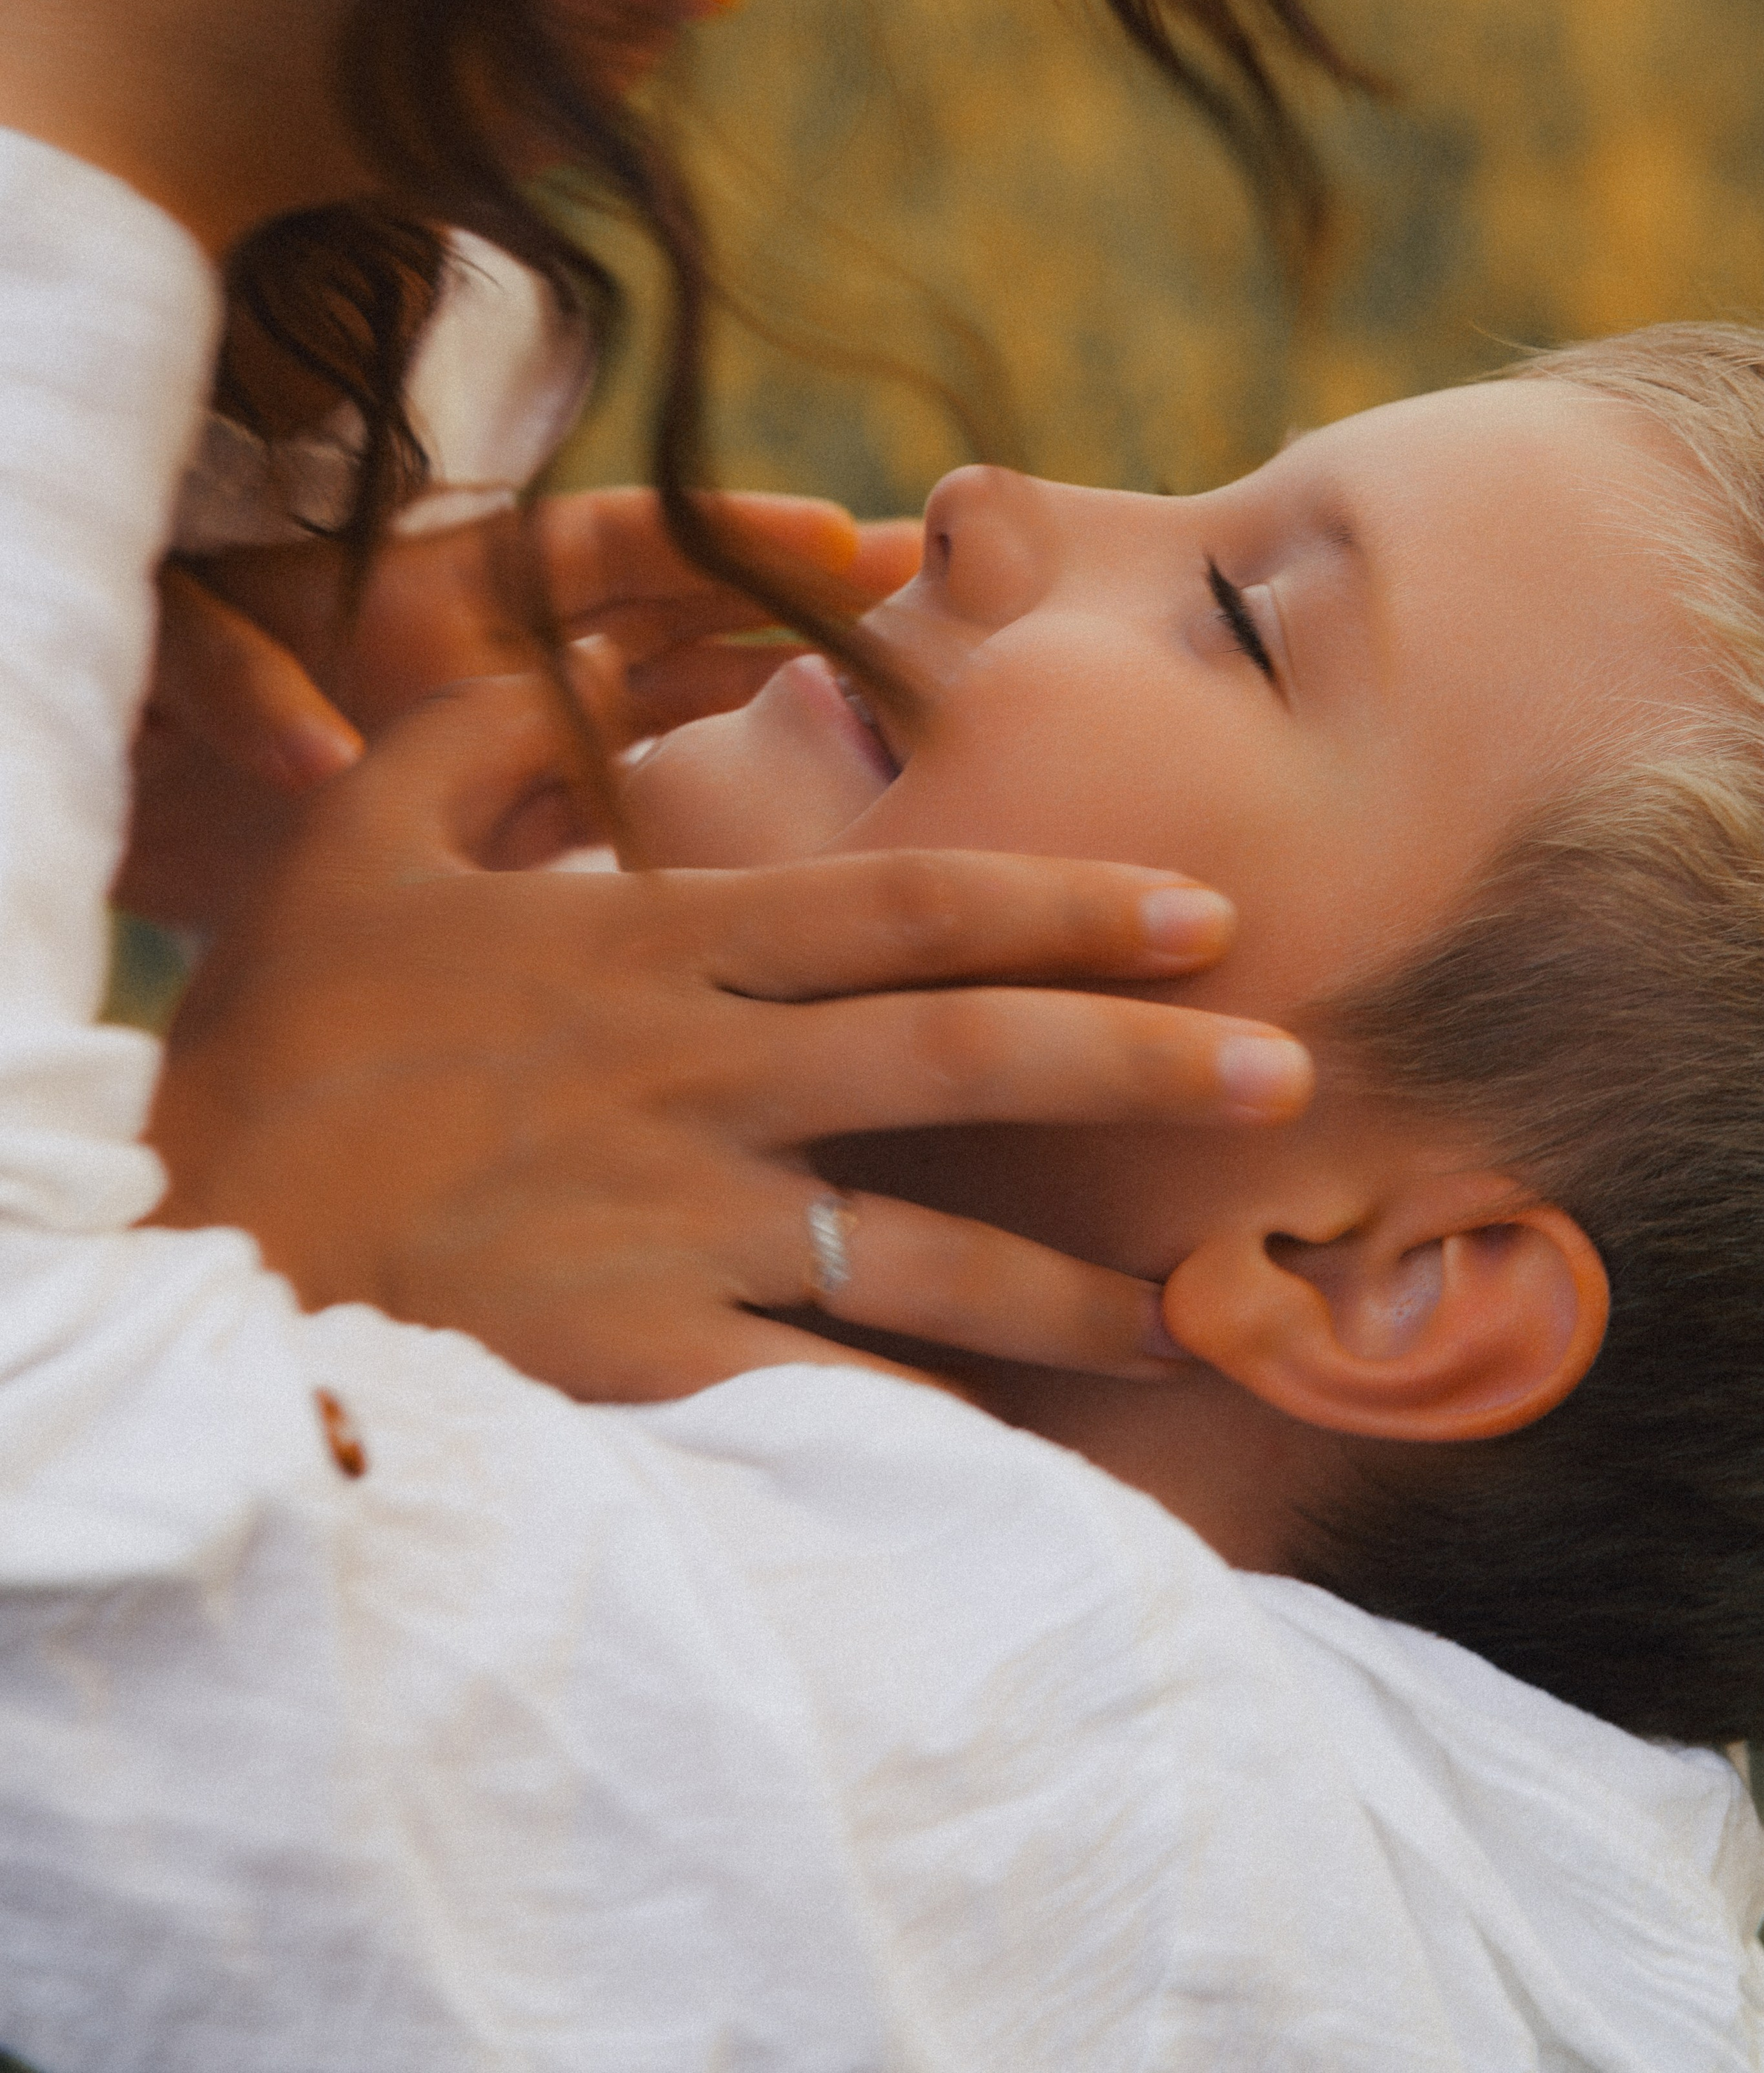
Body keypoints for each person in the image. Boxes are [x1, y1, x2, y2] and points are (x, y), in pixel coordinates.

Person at [138, 319, 1764, 2070]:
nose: (978, 504)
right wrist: (240, 803)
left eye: (1232, 617)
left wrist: (234, 1178)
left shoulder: (1089, 1803)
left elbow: (68, 1587)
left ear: (1385, 1281)